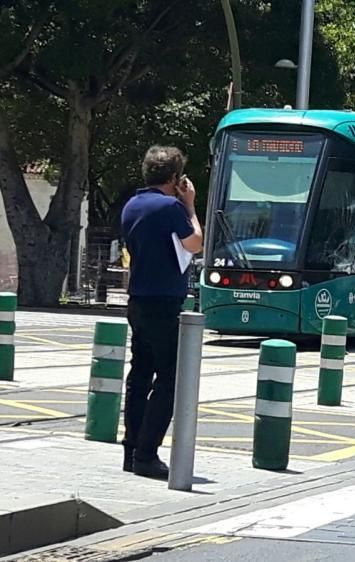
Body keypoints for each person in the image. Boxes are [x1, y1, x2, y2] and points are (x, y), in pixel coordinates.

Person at [120, 146, 203, 479]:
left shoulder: (131, 205)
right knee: (170, 378)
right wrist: (190, 206)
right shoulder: (171, 207)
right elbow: (195, 243)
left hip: (137, 298)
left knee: (139, 374)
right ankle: (147, 453)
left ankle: (131, 449)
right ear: (175, 178)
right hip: (164, 300)